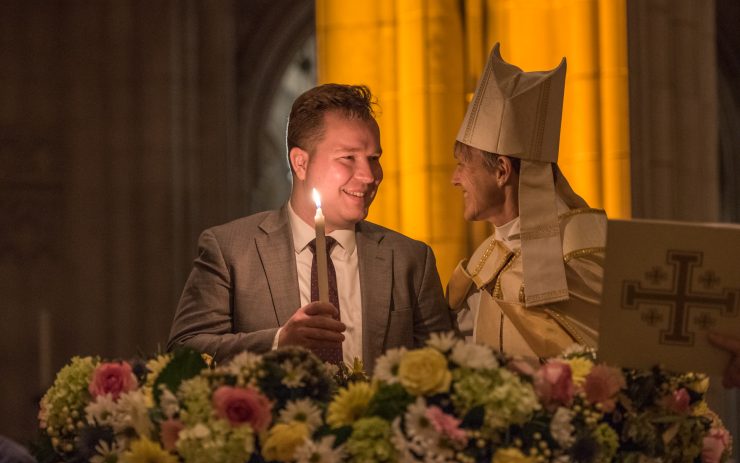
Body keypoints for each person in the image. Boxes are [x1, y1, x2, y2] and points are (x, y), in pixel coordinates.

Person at [168, 83, 453, 373]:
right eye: (348, 158)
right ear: (300, 163)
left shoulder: (409, 259)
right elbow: (185, 350)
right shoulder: (232, 250)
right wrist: (279, 342)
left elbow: (445, 365)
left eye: (373, 159)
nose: (369, 176)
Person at [446, 44, 607, 359]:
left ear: (502, 171)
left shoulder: (581, 246)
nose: (454, 179)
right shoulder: (485, 258)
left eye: (464, 164)